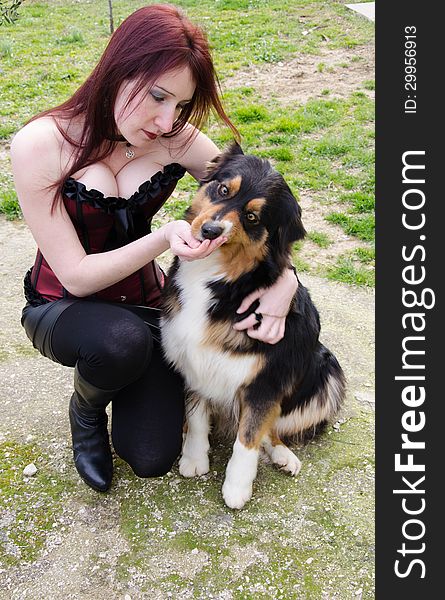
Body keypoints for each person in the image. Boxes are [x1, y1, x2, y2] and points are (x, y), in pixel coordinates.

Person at [10, 4, 298, 492]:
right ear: (119, 68)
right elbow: (76, 274)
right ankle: (86, 410)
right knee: (119, 342)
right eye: (158, 96)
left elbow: (261, 197)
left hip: (145, 310)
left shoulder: (176, 139)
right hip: (62, 306)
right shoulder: (41, 144)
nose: (167, 121)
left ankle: (126, 383)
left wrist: (285, 283)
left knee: (151, 456)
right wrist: (163, 236)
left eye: (180, 107)